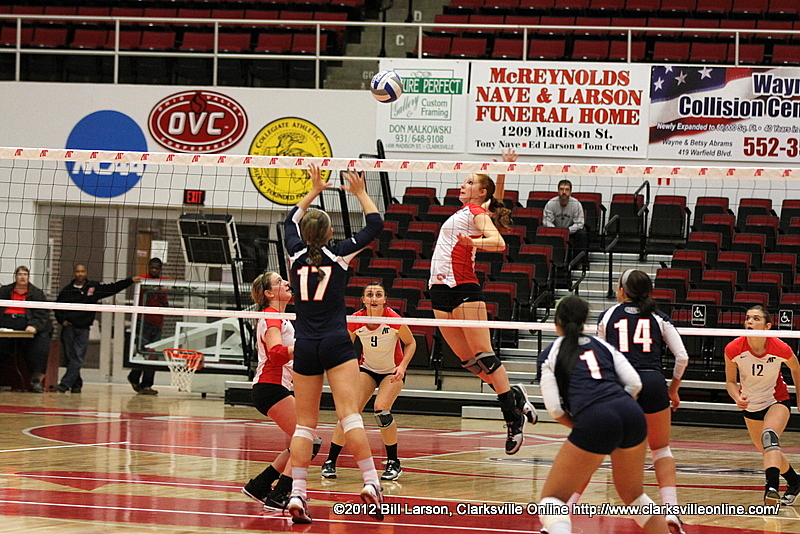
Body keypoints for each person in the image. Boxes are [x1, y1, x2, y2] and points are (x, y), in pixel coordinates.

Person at [283, 164, 385, 524]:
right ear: (328, 233)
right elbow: (375, 225)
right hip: (336, 343)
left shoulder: (294, 254)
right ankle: (371, 483)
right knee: (349, 415)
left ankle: (298, 493)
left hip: (306, 346)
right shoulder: (339, 253)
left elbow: (289, 221)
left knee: (304, 426)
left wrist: (314, 190)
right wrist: (360, 192)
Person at [428, 152, 536, 455]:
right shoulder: (470, 210)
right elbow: (496, 200)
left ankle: (512, 419)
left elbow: (498, 242)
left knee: (484, 356)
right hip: (439, 290)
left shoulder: (475, 211)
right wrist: (502, 170)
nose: (463, 185)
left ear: (480, 192)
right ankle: (513, 393)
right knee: (468, 362)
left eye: (469, 182)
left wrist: (472, 243)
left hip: (464, 288)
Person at [538, 295, 669, 534]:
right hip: (632, 413)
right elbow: (635, 384)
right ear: (584, 322)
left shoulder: (550, 353)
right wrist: (616, 409)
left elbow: (555, 409)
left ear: (556, 323)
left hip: (595, 417)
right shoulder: (603, 346)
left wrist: (586, 425)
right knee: (635, 497)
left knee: (552, 500)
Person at [596, 269, 689, 534]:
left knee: (595, 448)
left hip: (621, 384)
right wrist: (673, 390)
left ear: (621, 290)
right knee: (661, 449)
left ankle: (563, 513)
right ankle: (671, 511)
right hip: (652, 382)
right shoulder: (659, 317)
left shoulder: (608, 315)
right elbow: (682, 357)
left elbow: (600, 358)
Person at [321, 282, 417, 482]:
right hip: (367, 369)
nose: (374, 298)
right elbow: (345, 346)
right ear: (363, 299)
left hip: (392, 371)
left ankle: (393, 462)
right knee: (349, 412)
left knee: (381, 410)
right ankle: (330, 460)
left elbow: (411, 343)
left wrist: (402, 366)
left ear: (385, 300)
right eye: (370, 294)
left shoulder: (393, 320)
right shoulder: (356, 320)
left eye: (378, 294)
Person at [242, 270, 321, 511]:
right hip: (270, 387)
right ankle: (279, 495)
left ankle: (259, 486)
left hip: (275, 387)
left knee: (306, 441)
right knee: (309, 441)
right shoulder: (271, 317)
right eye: (279, 281)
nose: (286, 283)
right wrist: (305, 346)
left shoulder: (281, 318)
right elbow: (276, 354)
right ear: (268, 293)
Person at [724, 305, 800, 507]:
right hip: (751, 406)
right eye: (748, 318)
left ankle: (771, 489)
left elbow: (796, 368)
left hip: (777, 400)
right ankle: (795, 481)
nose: (749, 321)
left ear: (767, 326)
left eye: (756, 318)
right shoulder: (733, 349)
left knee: (769, 437)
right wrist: (737, 397)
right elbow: (730, 382)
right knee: (768, 450)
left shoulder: (780, 348)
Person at [54, 264, 141, 393]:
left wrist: (130, 281)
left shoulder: (93, 287)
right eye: (77, 271)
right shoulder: (67, 290)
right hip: (69, 328)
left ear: (86, 272)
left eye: (82, 271)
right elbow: (57, 307)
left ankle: (65, 384)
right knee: (70, 357)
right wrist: (62, 321)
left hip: (83, 329)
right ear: (74, 273)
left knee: (77, 356)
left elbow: (113, 288)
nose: (80, 274)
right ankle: (77, 384)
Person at [0, 266, 53, 393]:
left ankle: (36, 381)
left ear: (28, 277)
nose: (22, 277)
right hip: (6, 324)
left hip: (28, 324)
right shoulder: (4, 291)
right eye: (20, 274)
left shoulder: (37, 293)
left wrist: (34, 326)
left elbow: (42, 313)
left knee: (39, 347)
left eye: (25, 274)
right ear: (15, 277)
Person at [128, 257, 167, 395]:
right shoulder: (142, 280)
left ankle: (147, 385)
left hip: (157, 323)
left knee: (153, 355)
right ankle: (134, 376)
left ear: (160, 269)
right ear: (148, 268)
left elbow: (165, 302)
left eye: (157, 268)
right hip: (143, 321)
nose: (154, 270)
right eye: (152, 267)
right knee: (143, 351)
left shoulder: (163, 283)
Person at [542, 179, 589, 269]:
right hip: (554, 231)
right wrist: (556, 230)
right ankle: (549, 264)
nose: (564, 192)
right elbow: (546, 221)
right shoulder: (551, 204)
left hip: (571, 231)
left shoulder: (576, 204)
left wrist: (567, 231)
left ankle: (578, 263)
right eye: (561, 189)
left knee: (582, 234)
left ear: (571, 192)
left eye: (567, 189)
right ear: (558, 190)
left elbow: (580, 223)